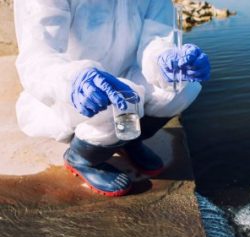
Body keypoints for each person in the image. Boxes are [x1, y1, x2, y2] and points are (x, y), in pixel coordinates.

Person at [14, 0, 211, 197]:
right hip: (71, 89)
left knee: (183, 86)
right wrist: (74, 80)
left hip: (126, 75)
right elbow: (37, 57)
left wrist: (166, 60)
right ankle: (82, 158)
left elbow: (156, 37)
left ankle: (128, 140)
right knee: (117, 100)